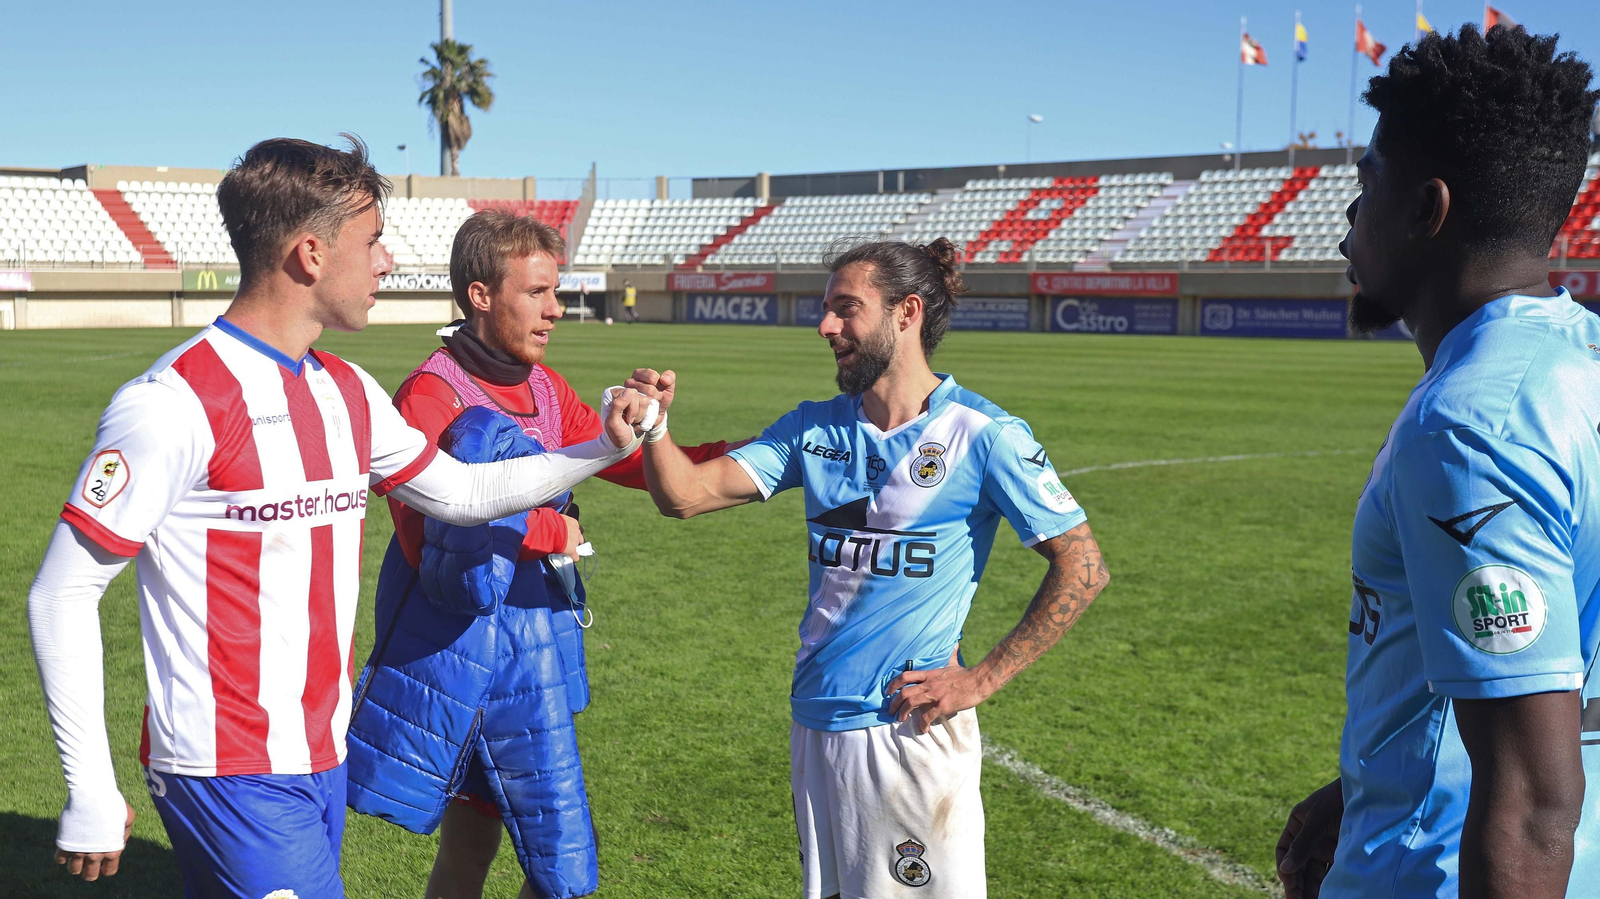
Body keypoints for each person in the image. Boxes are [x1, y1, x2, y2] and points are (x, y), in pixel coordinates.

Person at [26, 136, 660, 899]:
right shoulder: (171, 404)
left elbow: (459, 493)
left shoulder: (347, 389)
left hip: (320, 750)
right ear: (310, 254)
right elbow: (61, 593)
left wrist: (601, 443)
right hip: (226, 766)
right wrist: (89, 783)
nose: (388, 261)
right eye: (373, 241)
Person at [626, 238, 1109, 899]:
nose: (826, 327)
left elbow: (1082, 564)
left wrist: (980, 679)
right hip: (815, 724)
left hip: (905, 735)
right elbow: (685, 495)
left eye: (846, 309)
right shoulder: (812, 428)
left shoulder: (983, 433)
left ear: (906, 313)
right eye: (826, 310)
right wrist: (655, 427)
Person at [1275, 25, 1600, 899]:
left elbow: (1532, 797)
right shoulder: (1581, 362)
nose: (1349, 213)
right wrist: (1367, 784)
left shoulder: (1472, 427)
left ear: (1429, 209)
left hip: (1434, 871)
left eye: (1366, 183)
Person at [346, 209, 733, 899]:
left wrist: (719, 450)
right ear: (481, 296)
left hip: (532, 649)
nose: (556, 310)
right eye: (538, 293)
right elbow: (422, 533)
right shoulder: (431, 393)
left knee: (498, 841)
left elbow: (615, 458)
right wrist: (550, 535)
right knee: (544, 855)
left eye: (557, 292)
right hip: (460, 658)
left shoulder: (545, 386)